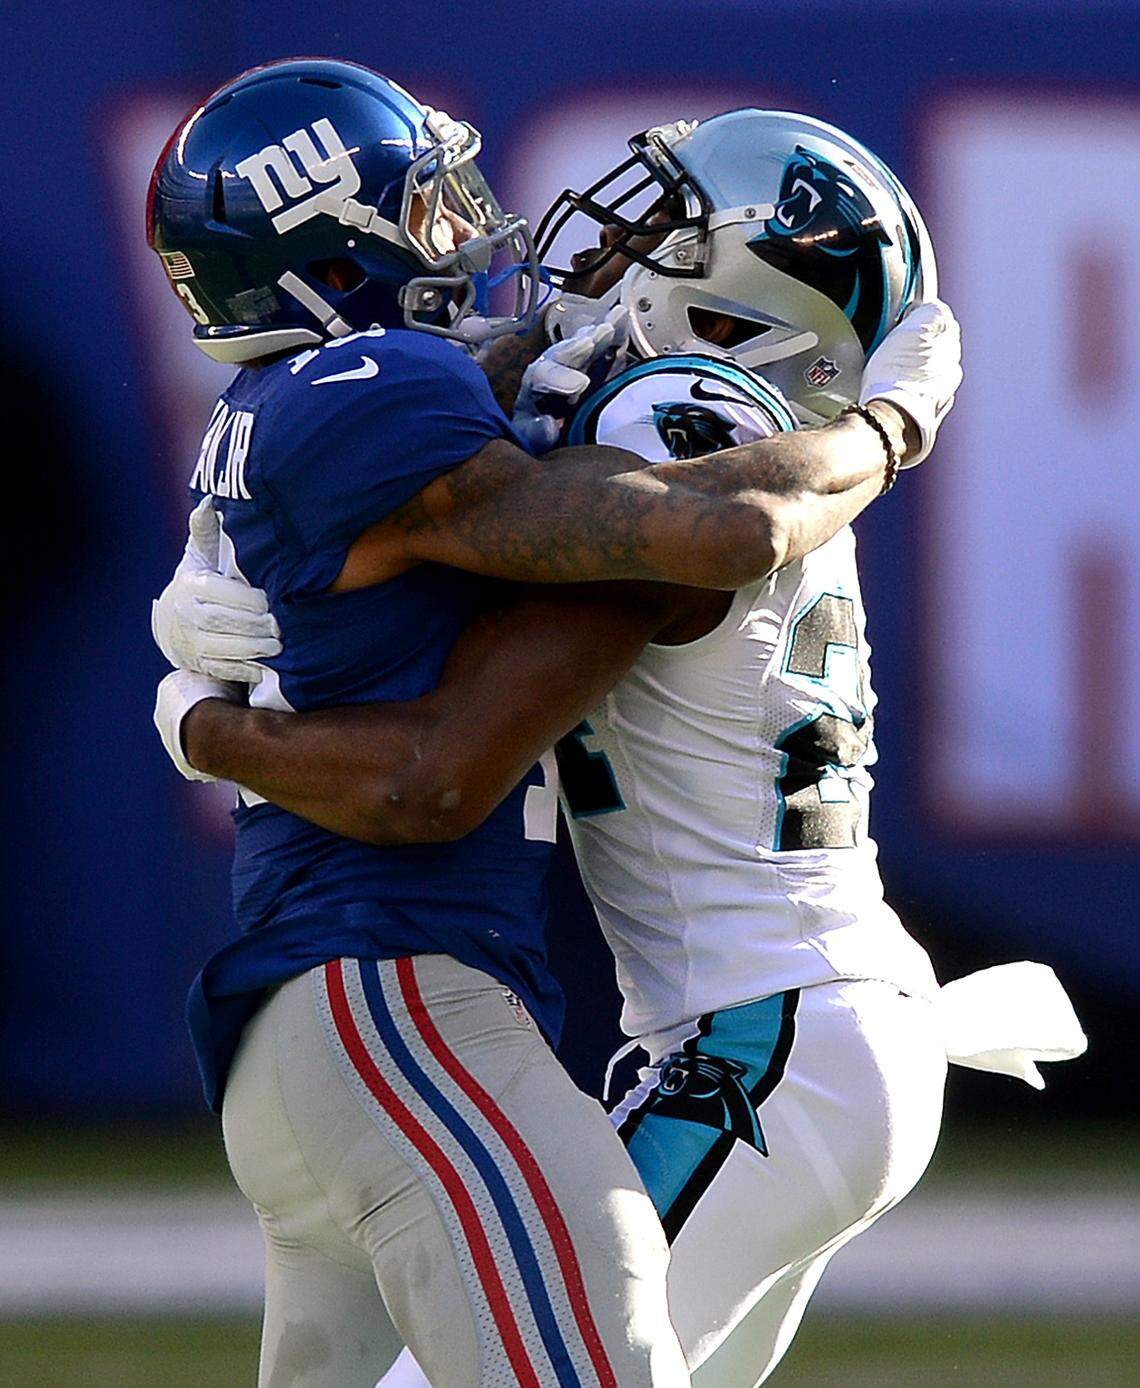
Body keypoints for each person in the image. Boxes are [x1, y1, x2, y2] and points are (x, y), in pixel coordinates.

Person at [152, 103, 985, 1387]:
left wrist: (219, 717)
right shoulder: (674, 407)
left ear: (745, 291)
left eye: (663, 228)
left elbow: (664, 543)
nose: (604, 250)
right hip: (786, 1017)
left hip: (760, 1037)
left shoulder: (674, 412)